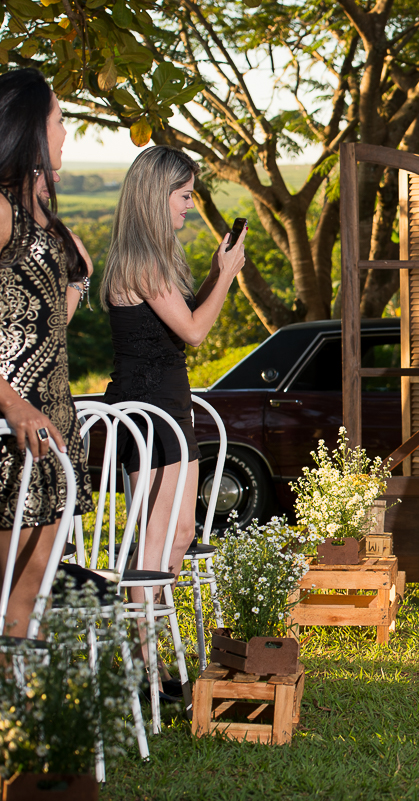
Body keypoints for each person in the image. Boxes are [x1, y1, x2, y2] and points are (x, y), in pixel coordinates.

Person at [100, 147, 245, 685]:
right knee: (159, 536)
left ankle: (149, 649)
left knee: (180, 531)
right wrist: (229, 275)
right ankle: (145, 664)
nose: (189, 205)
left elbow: (183, 320)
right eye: (183, 195)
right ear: (155, 195)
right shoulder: (143, 259)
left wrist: (213, 275)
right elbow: (193, 332)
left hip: (168, 406)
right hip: (147, 413)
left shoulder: (155, 258)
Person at [0, 69, 95, 638]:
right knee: (6, 603)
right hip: (11, 435)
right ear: (32, 128)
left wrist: (72, 281)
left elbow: (39, 325)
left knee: (26, 605)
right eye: (61, 121)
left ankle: (19, 724)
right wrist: (12, 406)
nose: (66, 133)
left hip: (53, 429)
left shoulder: (35, 214)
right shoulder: (2, 208)